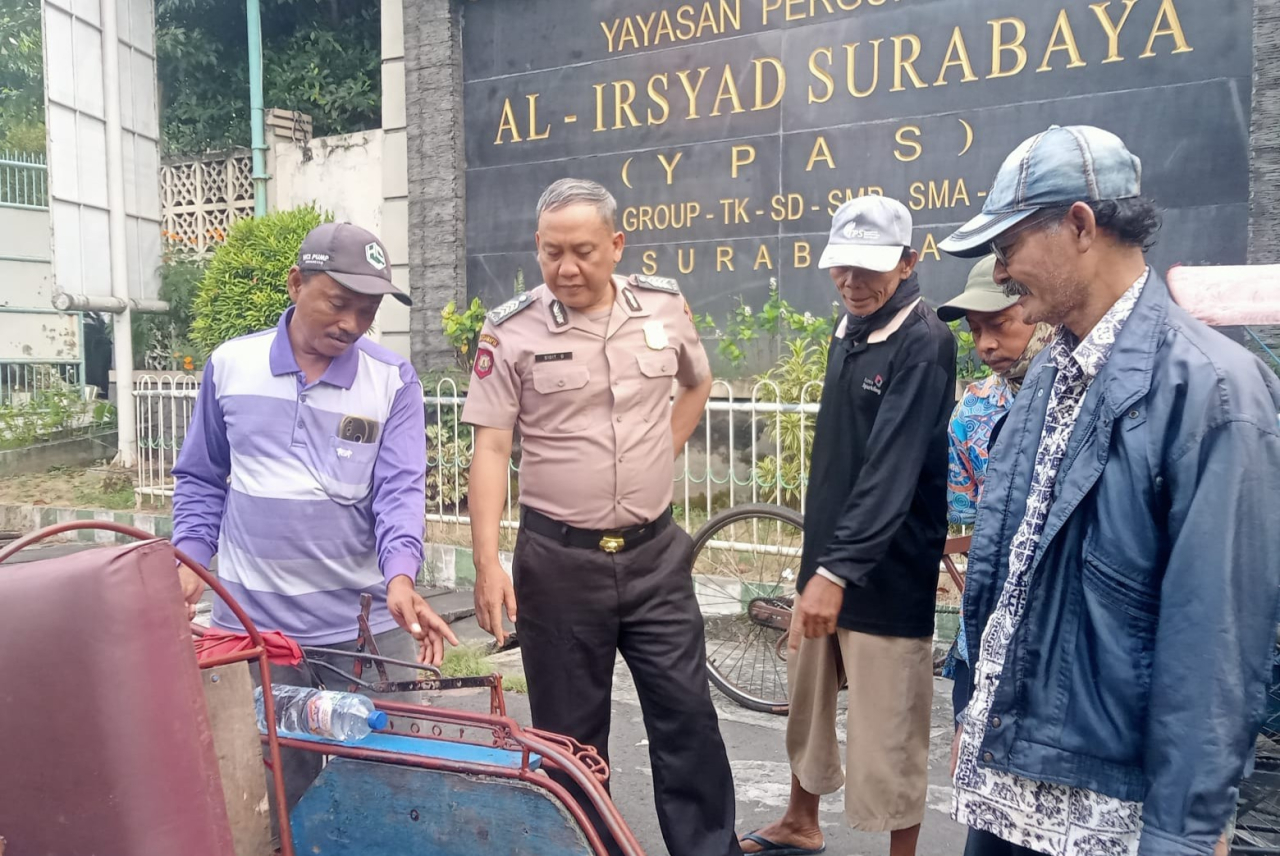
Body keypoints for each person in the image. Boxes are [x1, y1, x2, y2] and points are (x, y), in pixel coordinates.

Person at [939, 124, 1280, 856]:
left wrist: (1186, 832)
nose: (1000, 270)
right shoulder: (1047, 374)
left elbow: (1215, 639)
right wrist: (978, 702)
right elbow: (1012, 572)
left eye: (1008, 245)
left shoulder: (1213, 391)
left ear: (1080, 226)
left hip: (1110, 810)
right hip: (1011, 784)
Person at [461, 178, 740, 856]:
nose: (566, 268)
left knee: (687, 718)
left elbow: (697, 381)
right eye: (552, 252)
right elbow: (491, 448)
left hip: (655, 558)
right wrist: (487, 563)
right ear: (537, 246)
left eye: (583, 251)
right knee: (570, 740)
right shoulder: (510, 329)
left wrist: (661, 451)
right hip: (558, 563)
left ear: (616, 245)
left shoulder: (662, 306)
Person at [171, 222, 457, 816]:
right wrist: (190, 559)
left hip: (365, 633)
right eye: (338, 302)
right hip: (254, 632)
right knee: (271, 798)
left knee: (390, 793)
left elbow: (400, 491)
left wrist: (401, 576)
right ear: (296, 283)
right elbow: (202, 476)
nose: (352, 323)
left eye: (368, 310)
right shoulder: (231, 366)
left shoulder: (392, 381)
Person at [742, 196, 956, 856]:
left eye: (870, 268)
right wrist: (820, 564)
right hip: (828, 561)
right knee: (807, 704)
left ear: (908, 262)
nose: (853, 282)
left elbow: (892, 467)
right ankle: (800, 821)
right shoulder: (852, 328)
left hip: (887, 572)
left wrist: (836, 570)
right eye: (843, 266)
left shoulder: (923, 341)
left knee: (890, 729)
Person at [936, 254, 1053, 736]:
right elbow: (965, 513)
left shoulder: (1089, 397)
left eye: (1000, 324)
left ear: (1041, 310)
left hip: (1063, 637)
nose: (985, 344)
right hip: (986, 627)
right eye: (975, 329)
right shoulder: (972, 411)